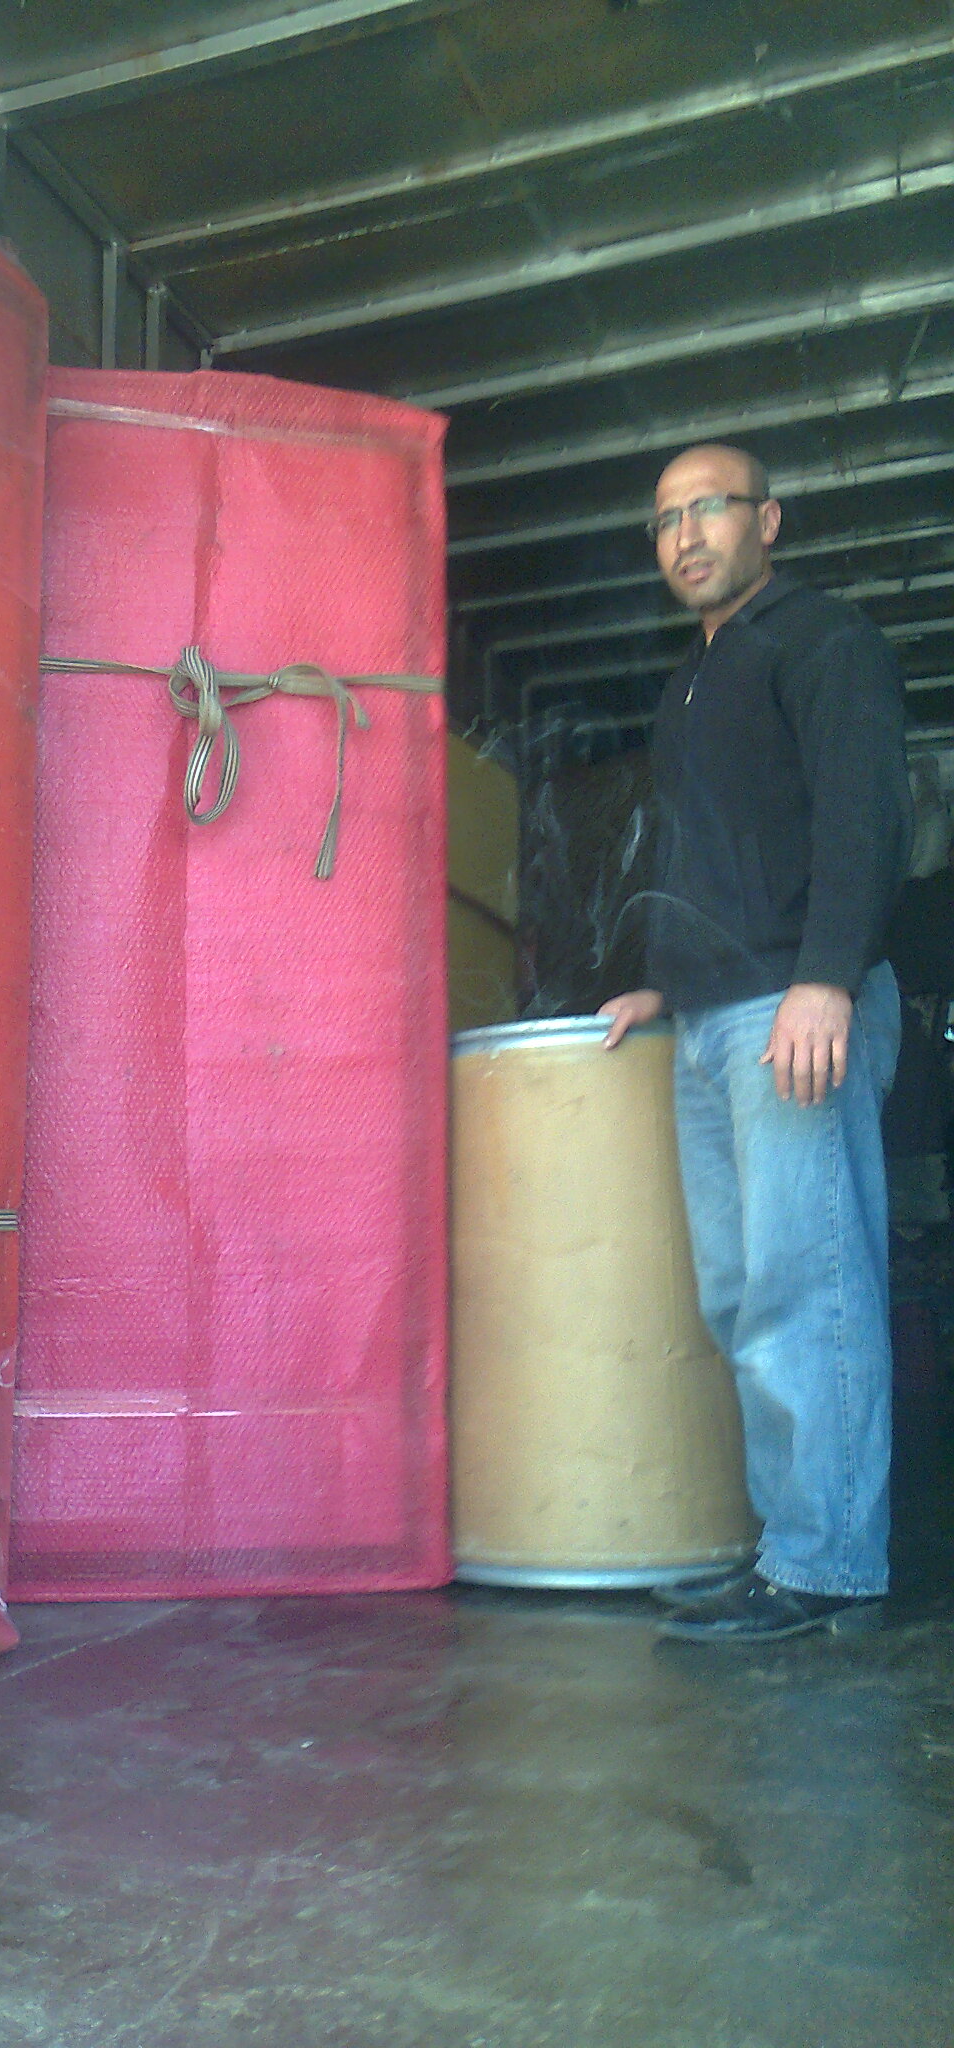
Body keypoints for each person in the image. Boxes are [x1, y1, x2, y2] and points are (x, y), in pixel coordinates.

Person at [599, 443, 913, 1643]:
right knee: (744, 1293)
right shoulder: (690, 681)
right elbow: (712, 857)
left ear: (768, 520)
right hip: (718, 1018)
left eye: (710, 508)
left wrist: (826, 976)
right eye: (665, 519)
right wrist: (664, 984)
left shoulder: (824, 641)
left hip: (796, 1007)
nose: (686, 535)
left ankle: (829, 1564)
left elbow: (862, 817)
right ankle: (796, 1543)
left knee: (806, 1284)